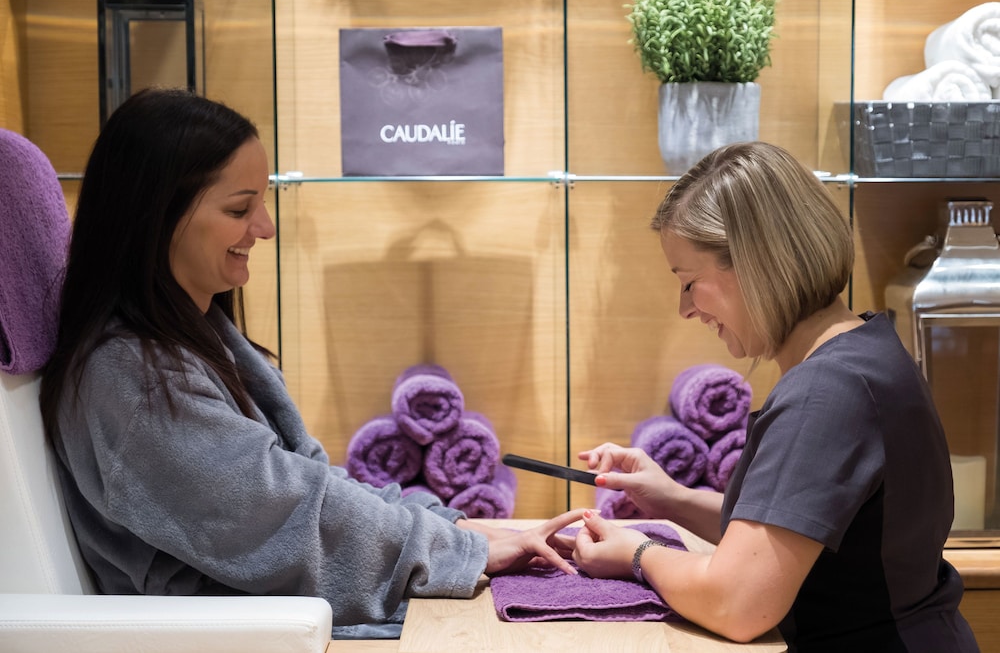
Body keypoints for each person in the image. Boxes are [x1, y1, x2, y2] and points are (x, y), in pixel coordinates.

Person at [39, 88, 582, 639]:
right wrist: (457, 548)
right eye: (239, 209)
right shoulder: (131, 383)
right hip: (223, 635)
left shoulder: (186, 340)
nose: (266, 227)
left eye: (263, 202)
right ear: (157, 217)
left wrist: (458, 532)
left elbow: (304, 485)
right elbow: (284, 514)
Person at [569, 141, 979, 652]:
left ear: (755, 264)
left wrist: (638, 553)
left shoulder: (827, 392)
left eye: (689, 283)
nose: (685, 309)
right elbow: (791, 534)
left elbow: (737, 603)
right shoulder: (867, 352)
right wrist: (669, 497)